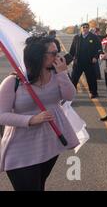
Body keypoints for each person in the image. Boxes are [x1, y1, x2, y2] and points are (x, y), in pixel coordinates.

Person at [0, 36, 79, 191]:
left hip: (49, 145)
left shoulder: (56, 75)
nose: (58, 57)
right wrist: (31, 119)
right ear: (39, 56)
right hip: (21, 150)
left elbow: (70, 96)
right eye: (54, 53)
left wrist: (63, 73)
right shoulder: (13, 82)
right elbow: (1, 114)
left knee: (39, 185)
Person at [69, 23, 102, 99]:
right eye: (83, 27)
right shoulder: (76, 37)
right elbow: (72, 50)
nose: (85, 28)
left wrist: (95, 57)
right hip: (78, 62)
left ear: (88, 28)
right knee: (74, 78)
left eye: (87, 27)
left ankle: (93, 93)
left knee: (91, 79)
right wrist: (71, 59)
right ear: (81, 28)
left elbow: (99, 48)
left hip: (89, 62)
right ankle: (70, 93)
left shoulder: (94, 37)